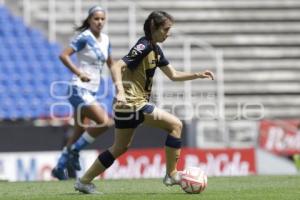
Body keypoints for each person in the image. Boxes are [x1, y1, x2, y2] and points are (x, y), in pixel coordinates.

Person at [74, 10, 214, 194]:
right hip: (132, 103)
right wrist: (121, 91)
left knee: (119, 147)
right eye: (165, 29)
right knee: (176, 125)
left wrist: (196, 75)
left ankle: (83, 181)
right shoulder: (144, 45)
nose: (168, 33)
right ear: (153, 27)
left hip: (127, 106)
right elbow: (116, 65)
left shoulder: (155, 49)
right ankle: (171, 174)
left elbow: (173, 75)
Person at [51, 5, 114, 180]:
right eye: (96, 18)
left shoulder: (106, 40)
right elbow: (63, 55)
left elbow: (111, 64)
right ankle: (75, 152)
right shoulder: (84, 38)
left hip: (91, 92)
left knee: (80, 130)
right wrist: (79, 73)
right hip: (78, 89)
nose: (100, 22)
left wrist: (120, 82)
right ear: (89, 20)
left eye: (102, 19)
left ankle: (60, 166)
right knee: (105, 122)